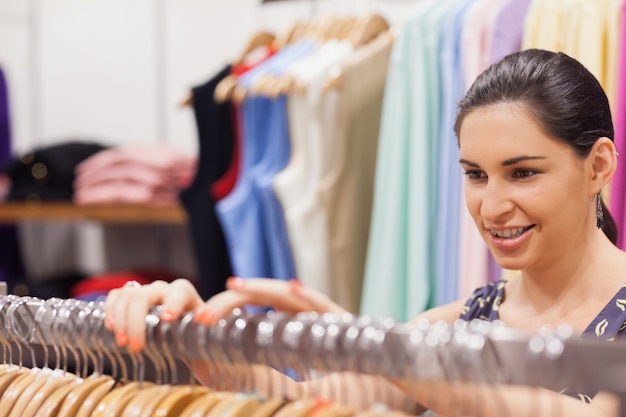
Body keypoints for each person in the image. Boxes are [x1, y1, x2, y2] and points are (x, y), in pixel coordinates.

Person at [103, 48, 625, 416]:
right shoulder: (458, 325)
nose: (491, 206)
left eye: (523, 173)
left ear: (598, 166)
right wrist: (203, 341)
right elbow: (305, 403)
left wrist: (382, 352)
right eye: (475, 175)